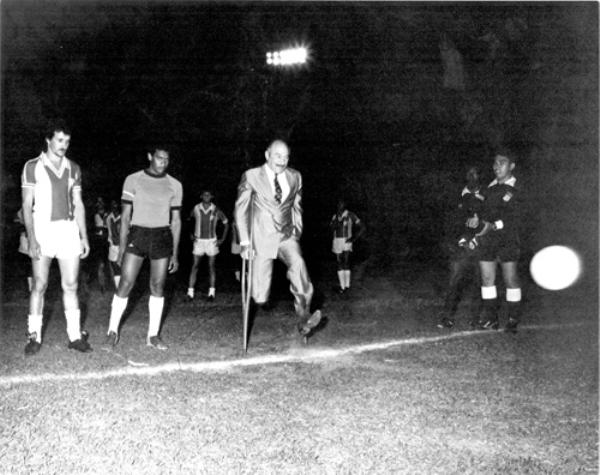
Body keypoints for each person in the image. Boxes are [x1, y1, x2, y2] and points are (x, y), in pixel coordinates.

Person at [234, 138, 322, 336]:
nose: (282, 161)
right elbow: (241, 210)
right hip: (261, 238)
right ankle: (258, 290)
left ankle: (304, 316)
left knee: (298, 264)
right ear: (267, 155)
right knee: (259, 297)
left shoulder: (295, 177)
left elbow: (296, 206)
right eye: (278, 156)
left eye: (286, 156)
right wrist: (245, 242)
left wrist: (296, 232)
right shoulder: (251, 176)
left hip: (286, 236)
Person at [20, 119, 92, 355]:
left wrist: (84, 237)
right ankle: (34, 336)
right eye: (60, 140)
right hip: (42, 230)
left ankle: (74, 337)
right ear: (48, 140)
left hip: (68, 231)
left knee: (70, 284)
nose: (64, 145)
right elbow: (26, 205)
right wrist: (32, 239)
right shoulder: (32, 166)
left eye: (67, 141)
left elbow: (78, 204)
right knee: (40, 284)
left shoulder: (74, 168)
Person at [104, 145, 182, 350]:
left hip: (161, 236)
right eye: (159, 158)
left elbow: (176, 221)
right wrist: (121, 249)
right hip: (138, 235)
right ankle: (112, 331)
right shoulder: (133, 179)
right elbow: (126, 217)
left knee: (157, 286)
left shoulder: (175, 185)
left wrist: (175, 252)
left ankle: (153, 336)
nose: (163, 162)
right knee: (126, 283)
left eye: (166, 159)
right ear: (150, 157)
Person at [470, 151, 523, 333]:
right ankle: (490, 319)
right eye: (495, 163)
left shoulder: (518, 188)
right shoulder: (488, 189)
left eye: (502, 162)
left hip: (508, 239)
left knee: (510, 279)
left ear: (512, 166)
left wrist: (493, 225)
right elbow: (481, 214)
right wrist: (476, 221)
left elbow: (516, 217)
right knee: (487, 279)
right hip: (488, 240)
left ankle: (513, 318)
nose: (496, 166)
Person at [437, 166, 484, 329]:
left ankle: (476, 318)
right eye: (469, 173)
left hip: (479, 246)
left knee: (480, 282)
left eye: (475, 173)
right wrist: (458, 241)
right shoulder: (455, 196)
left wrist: (478, 239)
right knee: (454, 281)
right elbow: (447, 223)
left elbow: (490, 221)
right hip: (459, 247)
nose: (472, 176)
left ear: (480, 175)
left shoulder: (488, 195)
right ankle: (447, 317)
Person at [186, 190, 229, 302]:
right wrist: (190, 234)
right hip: (199, 241)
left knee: (211, 267)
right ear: (201, 196)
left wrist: (222, 239)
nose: (206, 196)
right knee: (194, 266)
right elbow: (188, 220)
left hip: (211, 241)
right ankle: (190, 293)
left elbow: (226, 223)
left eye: (209, 195)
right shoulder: (196, 208)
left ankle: (211, 293)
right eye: (204, 194)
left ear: (212, 196)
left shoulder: (216, 210)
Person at [329, 199, 365, 294]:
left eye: (341, 203)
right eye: (338, 204)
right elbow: (331, 228)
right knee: (339, 262)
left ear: (345, 205)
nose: (339, 205)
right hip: (337, 241)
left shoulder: (351, 215)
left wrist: (353, 238)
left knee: (346, 261)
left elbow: (362, 227)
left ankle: (347, 286)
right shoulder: (335, 216)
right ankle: (342, 286)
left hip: (346, 240)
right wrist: (337, 221)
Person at [90, 197, 109, 292]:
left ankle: (113, 283)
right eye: (98, 202)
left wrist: (103, 230)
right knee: (100, 264)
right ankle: (102, 285)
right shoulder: (95, 215)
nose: (99, 204)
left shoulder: (108, 214)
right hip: (98, 242)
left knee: (109, 264)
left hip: (108, 242)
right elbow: (93, 229)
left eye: (101, 202)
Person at [14, 207, 33, 292]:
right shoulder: (22, 210)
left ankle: (34, 286)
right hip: (26, 239)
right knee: (28, 264)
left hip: (38, 239)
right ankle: (30, 286)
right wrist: (23, 224)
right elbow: (15, 220)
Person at [106, 199, 122, 290]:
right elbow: (109, 232)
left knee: (123, 269)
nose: (114, 206)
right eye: (112, 204)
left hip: (123, 247)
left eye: (116, 204)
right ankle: (118, 289)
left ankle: (125, 290)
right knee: (116, 269)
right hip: (113, 246)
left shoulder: (124, 217)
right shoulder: (109, 217)